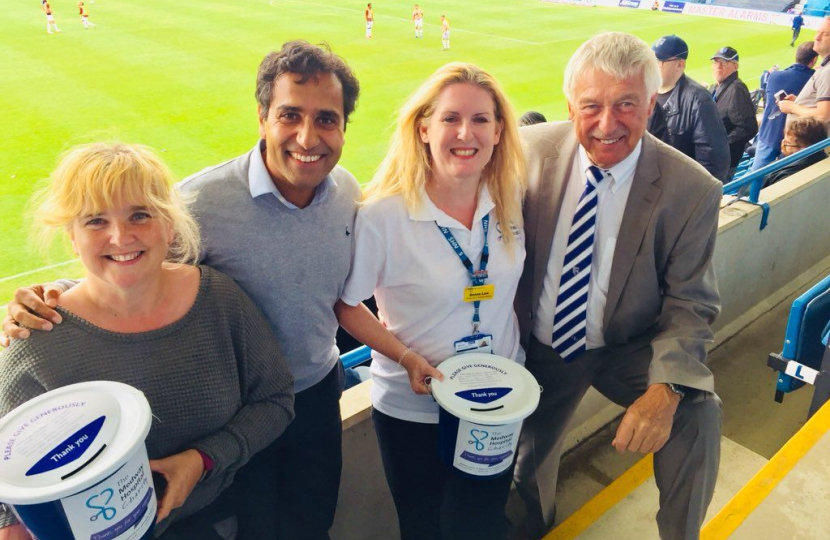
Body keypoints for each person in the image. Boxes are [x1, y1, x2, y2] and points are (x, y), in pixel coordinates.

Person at [2, 41, 361, 540]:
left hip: (314, 394)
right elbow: (128, 264)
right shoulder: (198, 200)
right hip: (235, 415)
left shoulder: (346, 191)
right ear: (262, 117)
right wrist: (53, 299)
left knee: (311, 523)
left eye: (326, 118)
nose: (307, 136)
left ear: (343, 126)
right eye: (289, 115)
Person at [0, 142, 294, 540]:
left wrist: (203, 460)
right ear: (71, 236)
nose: (120, 237)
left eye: (140, 215)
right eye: (95, 221)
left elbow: (275, 400)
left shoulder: (220, 302)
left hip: (217, 520)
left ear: (169, 225)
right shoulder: (36, 336)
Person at [514, 32, 722, 540]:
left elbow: (690, 301)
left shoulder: (691, 189)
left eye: (626, 104)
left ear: (651, 103)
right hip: (540, 348)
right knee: (522, 472)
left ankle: (680, 533)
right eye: (592, 106)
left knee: (698, 412)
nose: (607, 124)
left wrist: (667, 387)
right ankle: (532, 526)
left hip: (628, 347)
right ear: (570, 106)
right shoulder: (527, 152)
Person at [334, 62, 527, 540]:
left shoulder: (508, 196)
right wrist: (405, 357)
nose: (466, 133)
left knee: (482, 522)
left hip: (496, 400)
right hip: (413, 409)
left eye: (481, 119)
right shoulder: (383, 214)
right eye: (450, 119)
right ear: (423, 128)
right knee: (424, 527)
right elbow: (346, 304)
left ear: (500, 131)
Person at [651, 35, 730, 181]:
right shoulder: (643, 92)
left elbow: (713, 160)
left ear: (680, 64)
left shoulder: (699, 100)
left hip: (677, 190)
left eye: (659, 61)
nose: (652, 65)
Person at [751, 43, 817, 172]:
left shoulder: (775, 76)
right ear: (814, 59)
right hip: (794, 141)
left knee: (755, 178)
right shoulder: (814, 80)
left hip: (769, 135)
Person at [710, 46, 758, 179]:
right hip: (714, 156)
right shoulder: (715, 87)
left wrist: (722, 143)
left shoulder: (737, 88)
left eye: (724, 63)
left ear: (735, 66)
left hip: (724, 159)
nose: (718, 66)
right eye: (716, 62)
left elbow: (748, 128)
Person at [779, 17, 830, 125]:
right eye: (817, 32)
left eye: (825, 34)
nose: (817, 37)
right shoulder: (825, 67)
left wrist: (793, 108)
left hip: (810, 140)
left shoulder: (828, 71)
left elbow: (823, 115)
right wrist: (799, 102)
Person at [764, 117, 829, 187]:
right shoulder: (821, 157)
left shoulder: (785, 175)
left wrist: (782, 160)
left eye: (788, 143)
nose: (783, 144)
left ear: (803, 149)